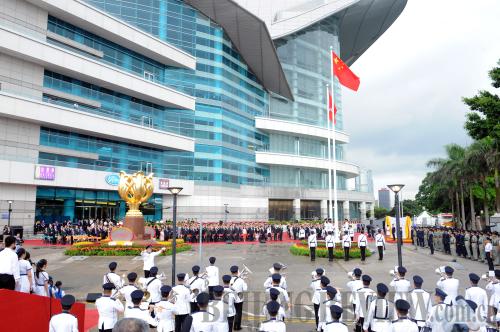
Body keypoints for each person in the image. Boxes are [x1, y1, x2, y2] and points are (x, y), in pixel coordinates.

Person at [230, 266, 247, 331]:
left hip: (232, 298)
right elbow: (245, 289)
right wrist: (244, 281)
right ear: (237, 272)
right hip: (239, 298)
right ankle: (237, 327)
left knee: (232, 312)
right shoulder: (241, 280)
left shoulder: (230, 279)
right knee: (238, 313)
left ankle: (232, 326)